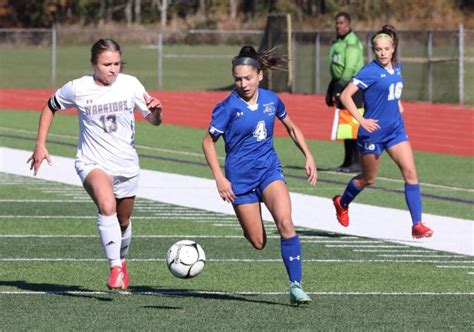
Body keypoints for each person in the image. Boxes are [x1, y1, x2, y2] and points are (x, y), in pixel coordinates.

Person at [27, 38, 163, 290]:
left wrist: (157, 111)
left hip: (127, 164)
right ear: (94, 64)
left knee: (122, 222)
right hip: (92, 162)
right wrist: (40, 144)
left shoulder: (130, 84)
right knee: (106, 204)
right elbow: (50, 106)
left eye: (117, 64)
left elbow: (153, 120)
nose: (113, 69)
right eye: (106, 64)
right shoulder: (77, 88)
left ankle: (121, 261)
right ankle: (114, 268)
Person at [202, 45, 317, 305]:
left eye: (248, 78)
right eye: (238, 79)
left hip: (269, 171)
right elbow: (208, 143)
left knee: (286, 223)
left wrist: (308, 155)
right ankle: (250, 221)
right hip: (240, 181)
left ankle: (296, 285)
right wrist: (220, 178)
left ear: (260, 76)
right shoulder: (227, 107)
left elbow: (291, 127)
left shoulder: (271, 100)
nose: (243, 84)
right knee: (258, 242)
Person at [332, 25, 433, 239]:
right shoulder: (369, 71)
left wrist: (397, 103)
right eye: (378, 50)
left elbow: (391, 90)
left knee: (411, 174)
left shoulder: (396, 66)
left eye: (387, 49)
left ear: (393, 48)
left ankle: (417, 224)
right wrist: (361, 119)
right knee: (368, 179)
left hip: (396, 130)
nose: (383, 53)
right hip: (373, 134)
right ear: (374, 51)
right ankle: (342, 203)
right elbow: (346, 96)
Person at [326, 12, 364, 173]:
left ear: (348, 24)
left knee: (353, 125)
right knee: (345, 127)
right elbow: (337, 68)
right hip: (341, 84)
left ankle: (357, 162)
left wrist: (339, 87)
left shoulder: (352, 43)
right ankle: (348, 161)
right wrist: (331, 86)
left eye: (342, 23)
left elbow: (349, 68)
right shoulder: (338, 42)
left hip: (352, 87)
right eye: (337, 23)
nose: (338, 26)